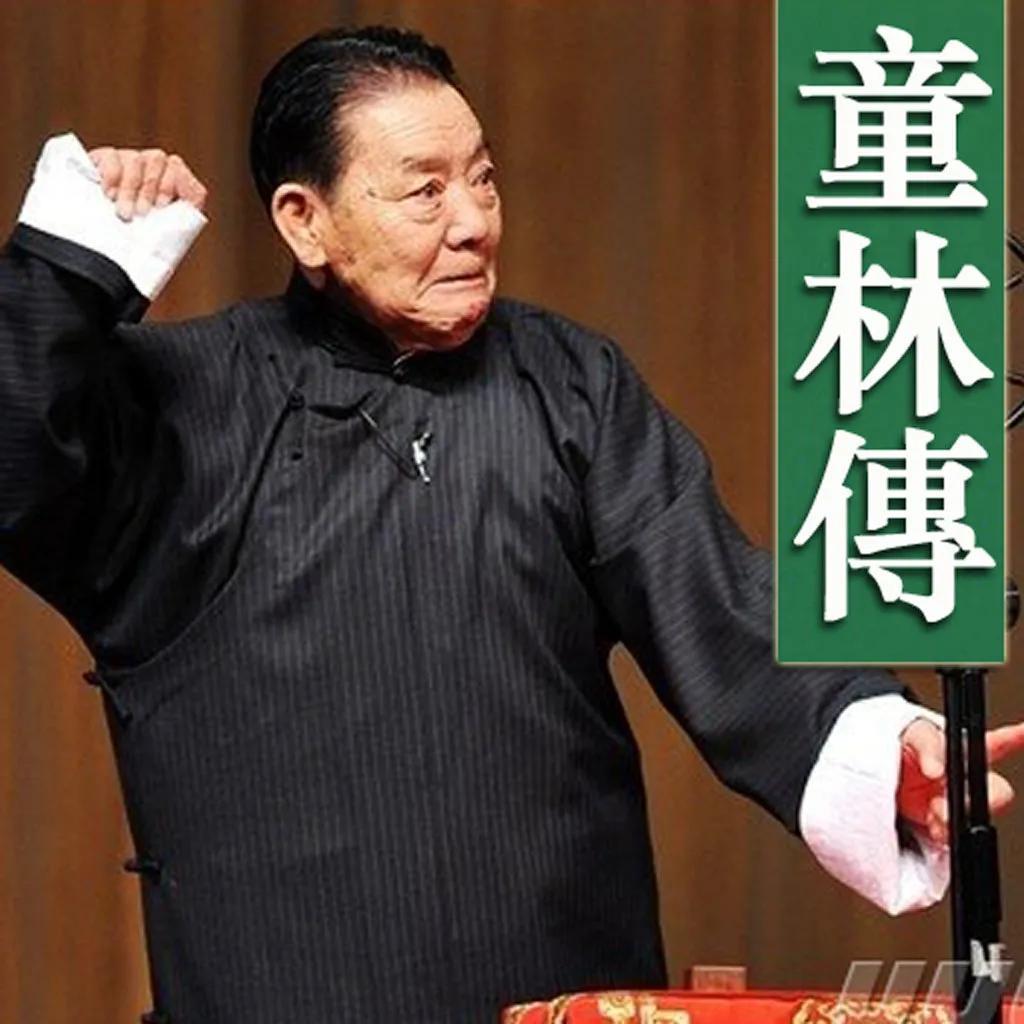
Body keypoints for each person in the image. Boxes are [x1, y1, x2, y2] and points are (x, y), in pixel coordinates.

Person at [1, 24, 1021, 1024]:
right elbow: (20, 474)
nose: (474, 222)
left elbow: (710, 598)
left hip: (561, 989)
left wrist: (872, 741)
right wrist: (67, 266)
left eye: (482, 180)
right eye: (424, 191)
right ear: (305, 221)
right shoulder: (187, 405)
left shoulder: (569, 384)